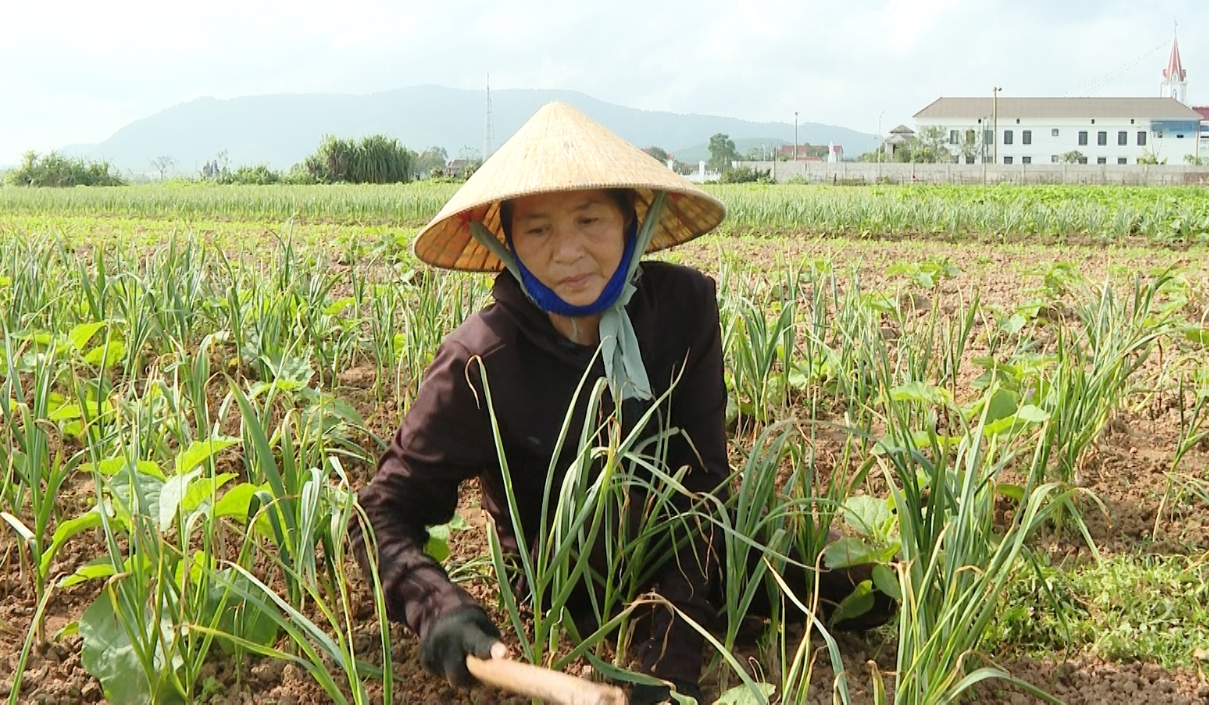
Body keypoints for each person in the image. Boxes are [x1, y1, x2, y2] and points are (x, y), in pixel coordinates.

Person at [354, 103, 886, 704]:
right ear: (505, 243)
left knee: (869, 593)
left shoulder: (683, 309)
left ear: (634, 220)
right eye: (538, 230)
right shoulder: (479, 362)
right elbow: (380, 514)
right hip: (568, 586)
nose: (568, 253)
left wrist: (666, 671)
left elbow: (704, 494)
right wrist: (440, 608)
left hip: (695, 557)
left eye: (589, 221)